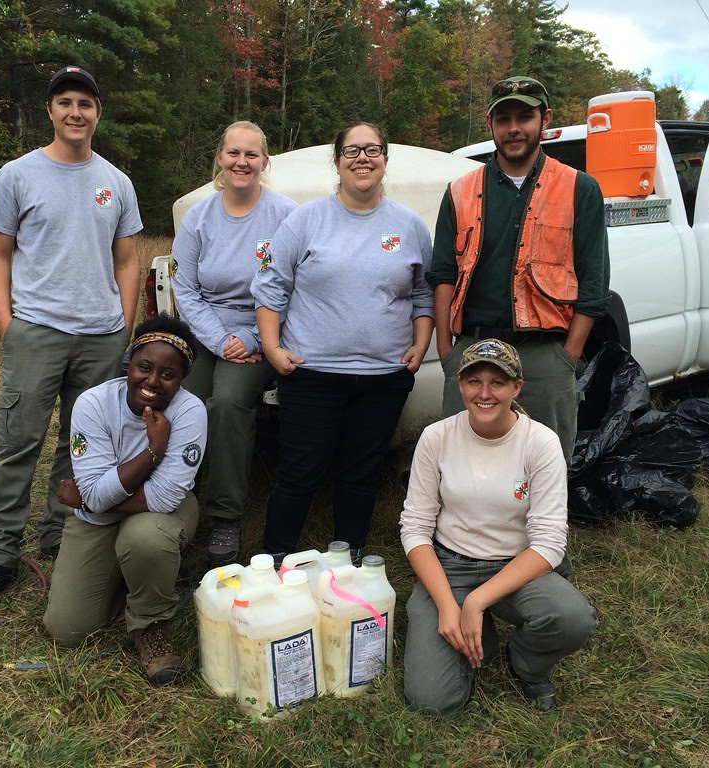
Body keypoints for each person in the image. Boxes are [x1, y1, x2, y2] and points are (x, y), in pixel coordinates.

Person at [0, 65, 143, 605]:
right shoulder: (17, 176)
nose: (75, 112)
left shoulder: (116, 182)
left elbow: (127, 259)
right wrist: (7, 324)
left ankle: (61, 535)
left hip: (101, 335)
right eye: (65, 102)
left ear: (97, 113)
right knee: (18, 443)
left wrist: (123, 325)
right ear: (51, 111)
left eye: (85, 104)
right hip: (36, 330)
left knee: (80, 444)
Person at [251, 121, 434, 564]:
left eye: (373, 149)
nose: (363, 158)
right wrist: (273, 349)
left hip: (383, 376)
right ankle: (275, 561)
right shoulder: (305, 219)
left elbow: (425, 292)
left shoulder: (409, 226)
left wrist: (421, 343)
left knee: (361, 473)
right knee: (299, 472)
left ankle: (349, 560)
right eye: (351, 151)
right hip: (312, 374)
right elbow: (270, 286)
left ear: (386, 160)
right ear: (336, 162)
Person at [399, 338, 597, 715]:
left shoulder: (540, 442)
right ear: (461, 385)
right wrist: (447, 604)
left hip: (513, 567)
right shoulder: (436, 437)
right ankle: (476, 634)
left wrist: (476, 601)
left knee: (571, 618)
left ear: (517, 387)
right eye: (474, 382)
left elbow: (550, 543)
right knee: (433, 703)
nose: (484, 393)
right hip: (448, 566)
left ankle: (525, 663)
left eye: (498, 382)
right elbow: (415, 529)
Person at [428, 76, 610, 464]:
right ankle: (465, 528)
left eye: (524, 117)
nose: (514, 128)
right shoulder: (459, 190)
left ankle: (541, 528)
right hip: (471, 352)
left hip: (546, 355)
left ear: (544, 119)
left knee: (544, 466)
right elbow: (443, 274)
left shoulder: (580, 188)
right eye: (503, 118)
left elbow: (594, 282)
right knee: (462, 465)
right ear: (490, 124)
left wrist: (567, 355)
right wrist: (447, 352)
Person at [43, 316, 206, 686]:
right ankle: (131, 575)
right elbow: (98, 494)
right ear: (128, 365)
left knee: (146, 537)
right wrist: (152, 451)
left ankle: (149, 626)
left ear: (181, 381)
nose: (152, 381)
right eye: (144, 367)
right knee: (67, 630)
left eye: (168, 374)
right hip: (100, 519)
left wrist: (86, 502)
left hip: (160, 514)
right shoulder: (93, 404)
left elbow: (164, 496)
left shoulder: (190, 411)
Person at [172, 121, 297, 566]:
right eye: (233, 154)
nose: (241, 163)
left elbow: (293, 285)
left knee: (226, 401)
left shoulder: (285, 214)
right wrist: (220, 339)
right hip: (208, 332)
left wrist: (249, 338)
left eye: (251, 155)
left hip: (263, 334)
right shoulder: (198, 219)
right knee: (178, 397)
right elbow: (184, 289)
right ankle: (171, 501)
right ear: (220, 159)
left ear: (264, 162)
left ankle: (225, 518)